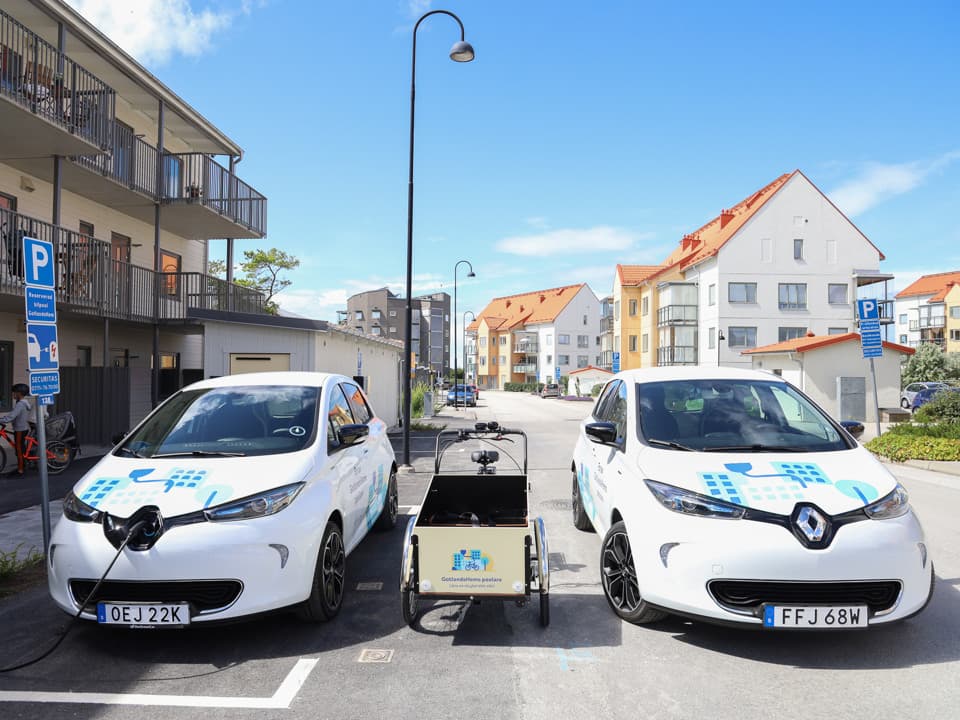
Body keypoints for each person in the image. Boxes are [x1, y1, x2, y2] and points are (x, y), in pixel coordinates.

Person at [1, 383, 32, 476]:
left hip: (20, 429)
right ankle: (23, 465)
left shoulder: (20, 404)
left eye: (15, 393)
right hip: (23, 428)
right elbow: (13, 415)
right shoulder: (22, 403)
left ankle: (20, 470)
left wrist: (3, 419)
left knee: (19, 450)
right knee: (21, 448)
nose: (13, 395)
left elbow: (11, 417)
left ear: (20, 394)